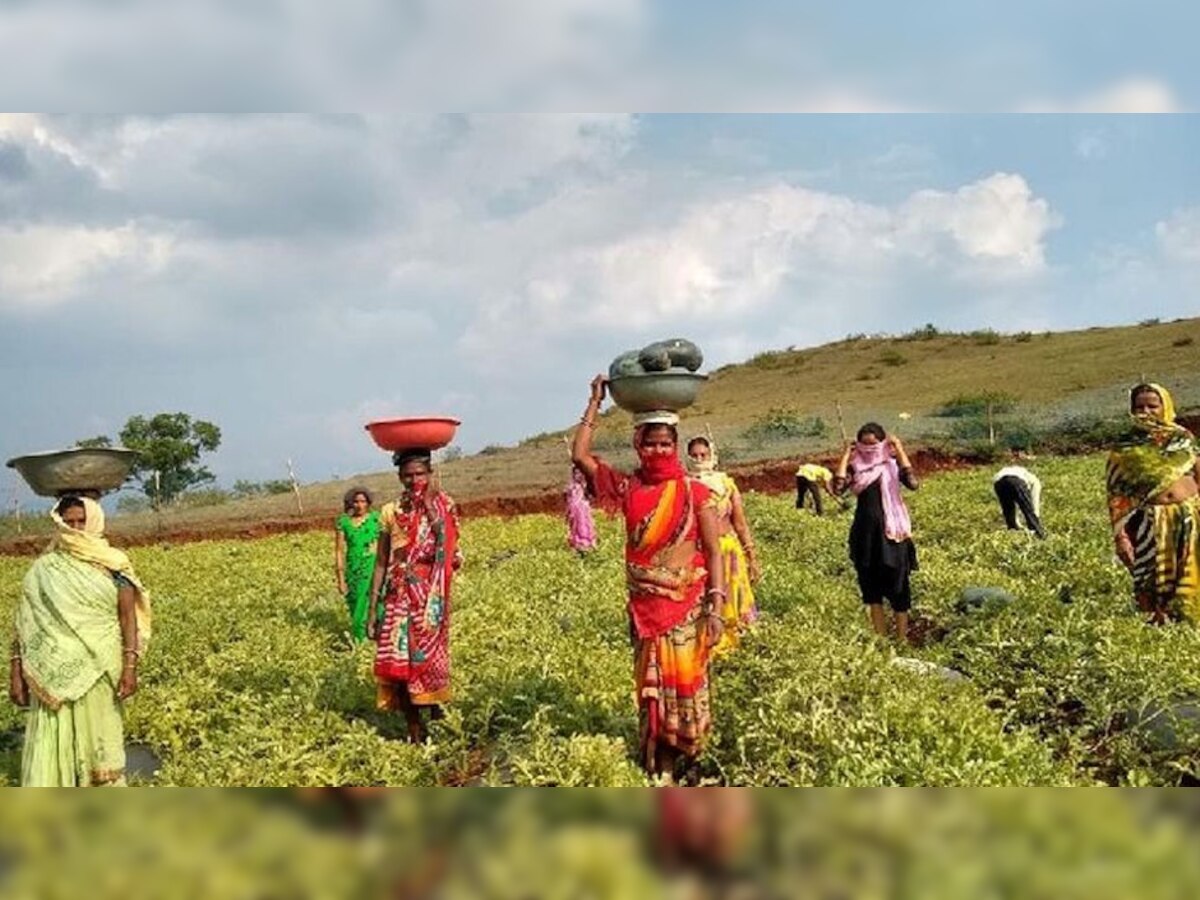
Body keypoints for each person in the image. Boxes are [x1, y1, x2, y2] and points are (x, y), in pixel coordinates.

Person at [572, 375, 726, 781]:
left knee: (685, 685)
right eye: (650, 442)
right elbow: (581, 456)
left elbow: (712, 552)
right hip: (644, 610)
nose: (657, 450)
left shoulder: (695, 493)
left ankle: (686, 755)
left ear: (675, 445)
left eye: (665, 443)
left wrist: (717, 605)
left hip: (686, 608)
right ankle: (657, 757)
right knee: (650, 689)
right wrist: (594, 403)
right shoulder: (629, 486)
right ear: (637, 445)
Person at [8, 496, 151, 786]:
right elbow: (24, 623)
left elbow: (127, 619)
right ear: (59, 522)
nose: (75, 528)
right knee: (56, 735)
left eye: (81, 521)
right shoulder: (44, 567)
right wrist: (16, 673)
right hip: (53, 667)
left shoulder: (113, 564)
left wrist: (130, 667)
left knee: (99, 734)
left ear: (95, 520)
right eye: (68, 521)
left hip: (99, 666)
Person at [367, 450, 463, 743]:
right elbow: (382, 561)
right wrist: (372, 609)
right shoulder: (390, 511)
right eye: (408, 475)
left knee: (430, 658)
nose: (414, 480)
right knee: (399, 662)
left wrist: (431, 509)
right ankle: (414, 726)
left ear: (430, 474)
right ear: (399, 476)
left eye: (420, 474)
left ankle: (434, 709)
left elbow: (447, 549)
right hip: (398, 595)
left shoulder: (444, 505)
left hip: (430, 597)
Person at [1107, 383, 1200, 624]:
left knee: (1191, 575)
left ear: (1165, 407)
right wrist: (1121, 536)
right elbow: (1116, 494)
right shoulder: (1125, 447)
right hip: (1149, 522)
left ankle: (1188, 623)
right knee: (1153, 579)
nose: (1146, 412)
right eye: (1139, 407)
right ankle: (1160, 625)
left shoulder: (1183, 439)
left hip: (1189, 515)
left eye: (1152, 405)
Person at [834, 424, 919, 643]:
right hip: (865, 535)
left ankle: (901, 639)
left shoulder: (891, 466)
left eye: (874, 444)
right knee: (871, 590)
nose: (869, 449)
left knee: (899, 585)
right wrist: (846, 456)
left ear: (882, 443)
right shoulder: (856, 467)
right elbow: (838, 488)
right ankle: (881, 639)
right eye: (864, 444)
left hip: (893, 536)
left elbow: (912, 483)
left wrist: (899, 450)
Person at [685, 435, 760, 655]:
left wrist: (751, 555)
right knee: (706, 598)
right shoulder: (686, 486)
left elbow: (740, 523)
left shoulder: (726, 484)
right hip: (700, 553)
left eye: (703, 455)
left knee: (734, 599)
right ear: (687, 458)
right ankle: (711, 646)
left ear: (711, 455)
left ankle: (739, 647)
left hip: (729, 552)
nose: (699, 459)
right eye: (695, 455)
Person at [335, 487, 382, 641]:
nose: (359, 505)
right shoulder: (344, 522)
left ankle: (378, 641)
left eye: (363, 501)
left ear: (368, 503)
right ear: (350, 503)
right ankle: (360, 643)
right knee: (357, 609)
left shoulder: (376, 519)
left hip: (374, 567)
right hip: (354, 570)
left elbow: (387, 541)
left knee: (378, 604)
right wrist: (341, 578)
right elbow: (339, 551)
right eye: (356, 501)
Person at [992, 464, 1045, 539]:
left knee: (1008, 511)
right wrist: (1036, 515)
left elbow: (1003, 501)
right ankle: (1039, 535)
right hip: (1016, 481)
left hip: (999, 483)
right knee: (1027, 510)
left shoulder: (1005, 471)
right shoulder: (1033, 480)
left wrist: (1016, 521)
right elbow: (1034, 499)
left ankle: (1013, 531)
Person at [564, 467, 599, 553]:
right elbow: (568, 500)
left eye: (580, 473)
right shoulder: (571, 487)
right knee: (575, 528)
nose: (578, 476)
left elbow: (591, 497)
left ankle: (588, 544)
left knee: (585, 526)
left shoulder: (585, 486)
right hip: (575, 512)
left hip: (584, 511)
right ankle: (577, 544)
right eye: (576, 473)